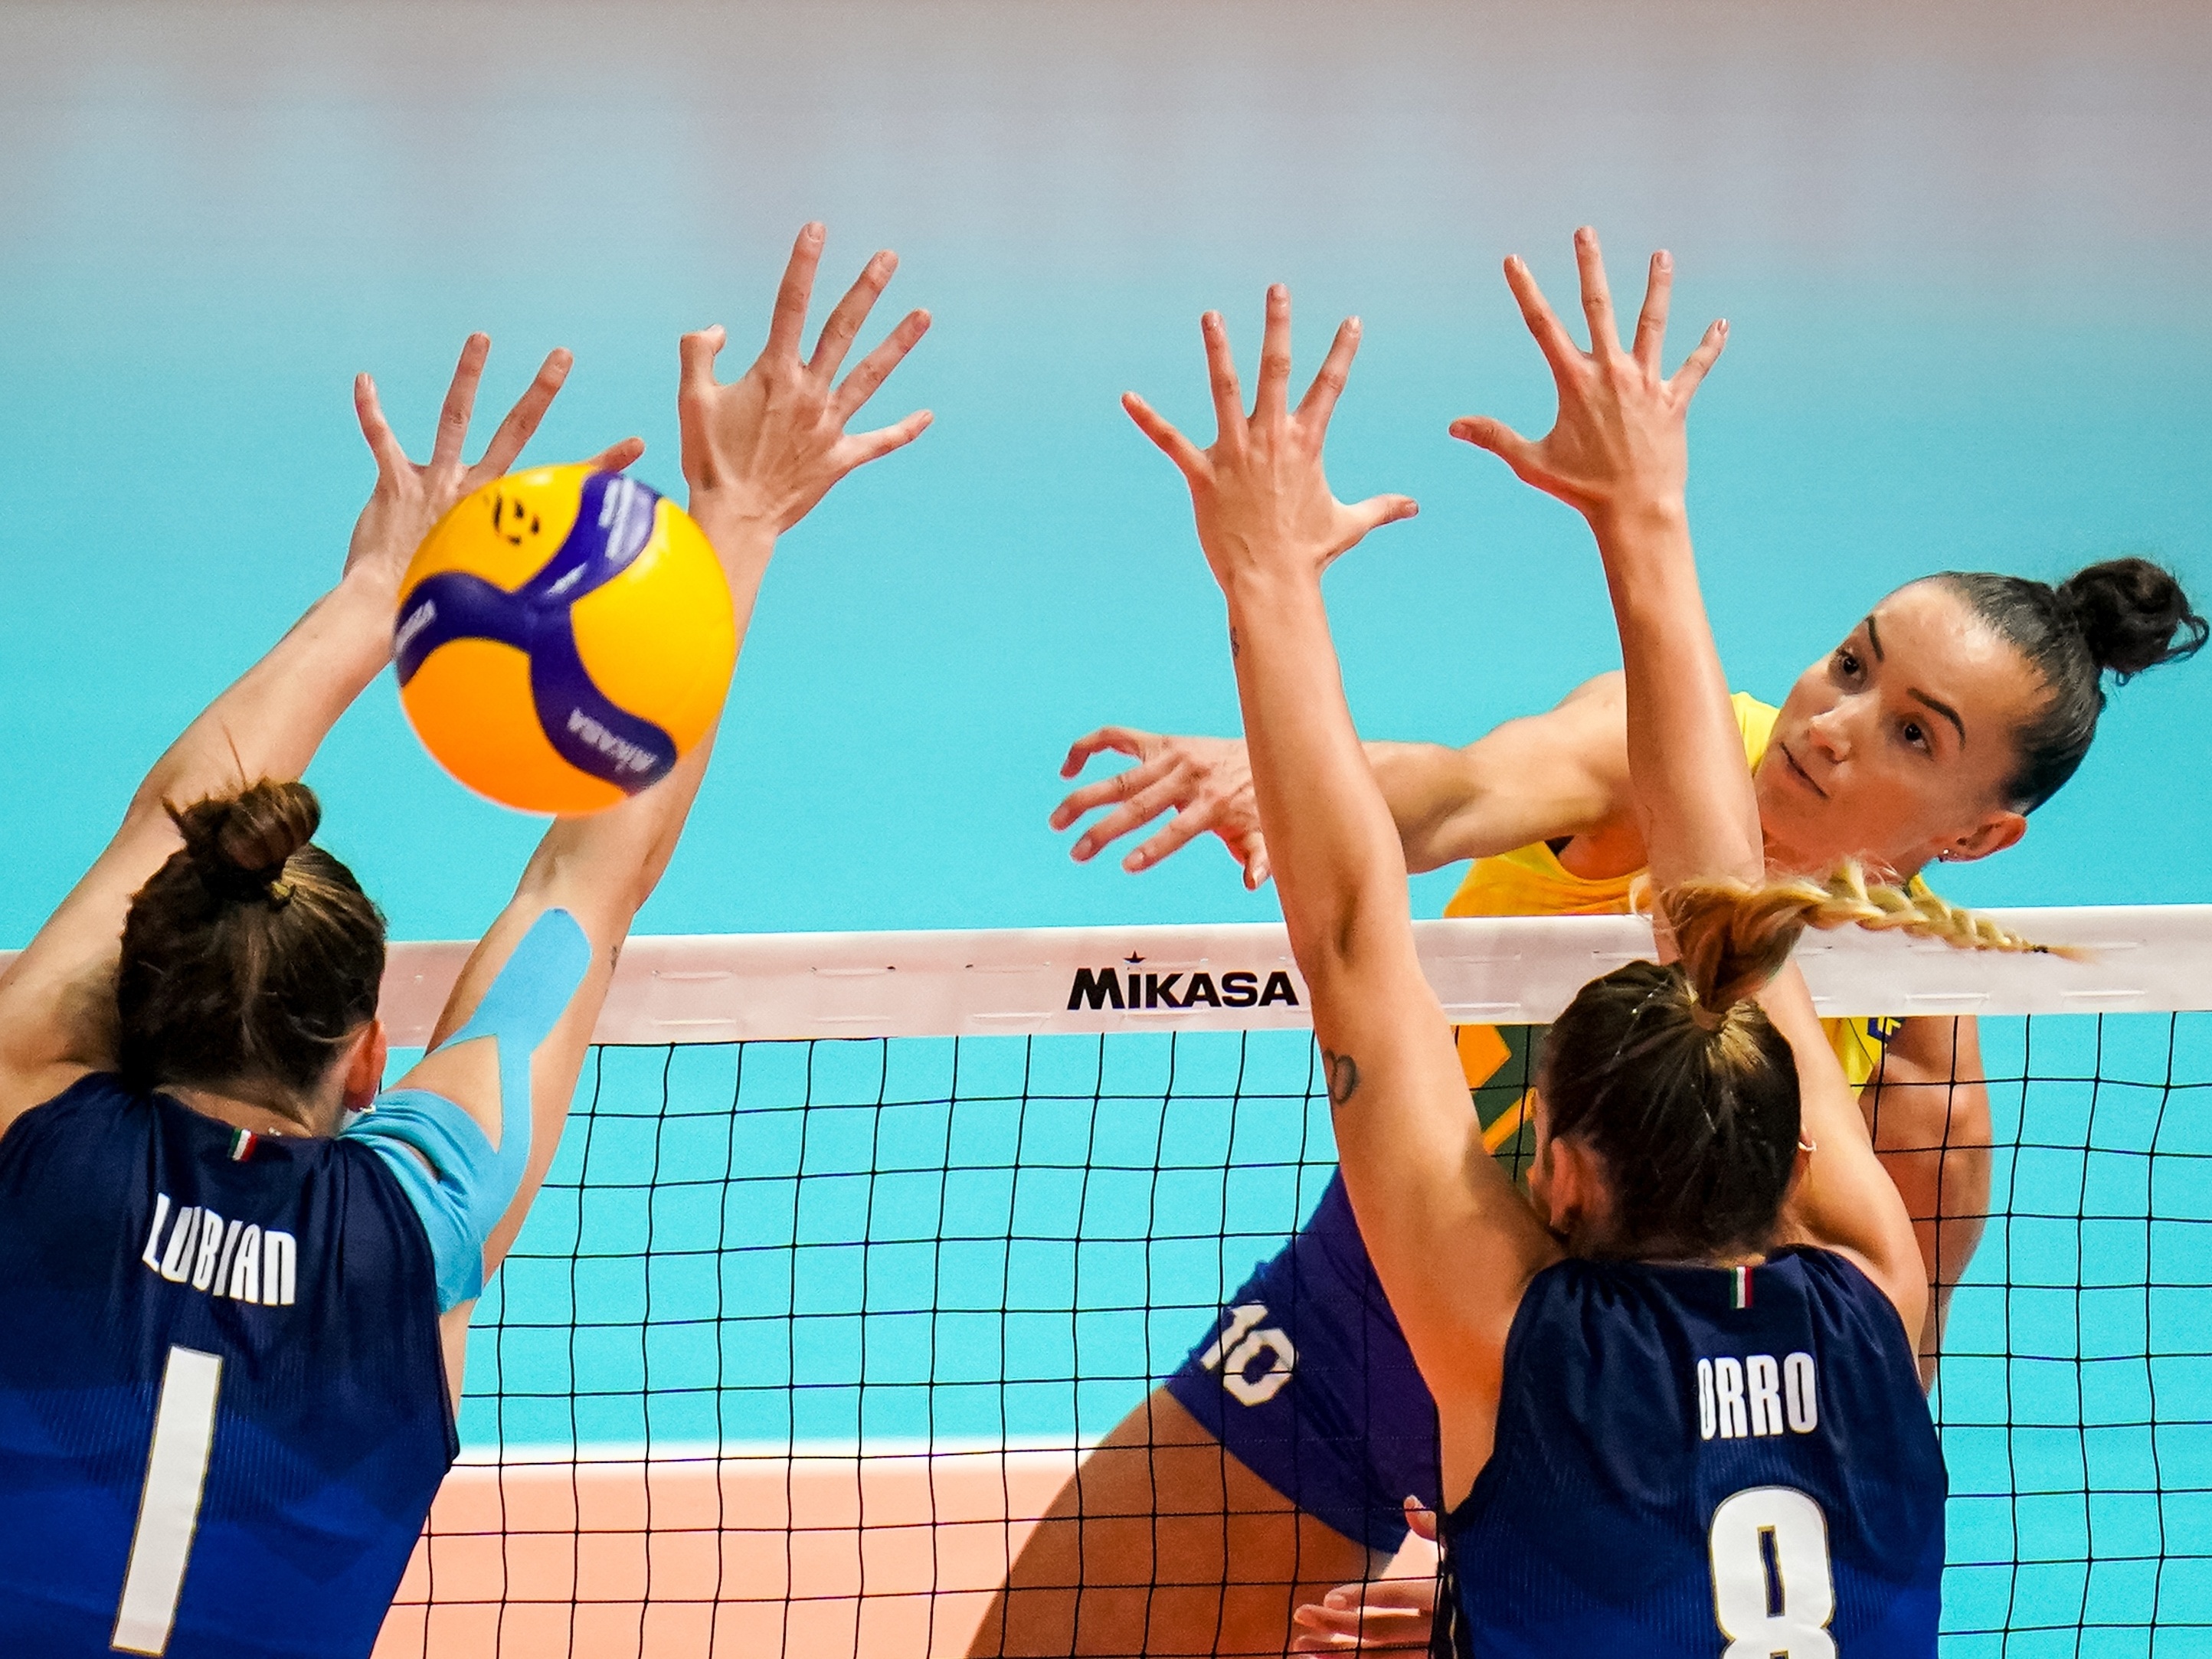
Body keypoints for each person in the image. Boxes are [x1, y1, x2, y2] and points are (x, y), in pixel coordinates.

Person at [988, 306, 2204, 1659]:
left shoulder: (1929, 1066)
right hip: (1382, 1318)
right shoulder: (1651, 766)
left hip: (1607, 1431)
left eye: (1912, 733)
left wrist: (1513, 1572)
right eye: (1852, 665)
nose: (1832, 724)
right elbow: (1456, 790)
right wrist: (1290, 775)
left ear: (1976, 834)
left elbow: (1840, 1423)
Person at [0, 223, 931, 1659]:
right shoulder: (421, 1224)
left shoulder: (29, 1119)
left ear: (136, 995)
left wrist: (371, 600)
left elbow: (157, 827)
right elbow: (580, 901)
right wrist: (730, 524)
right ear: (375, 1059)